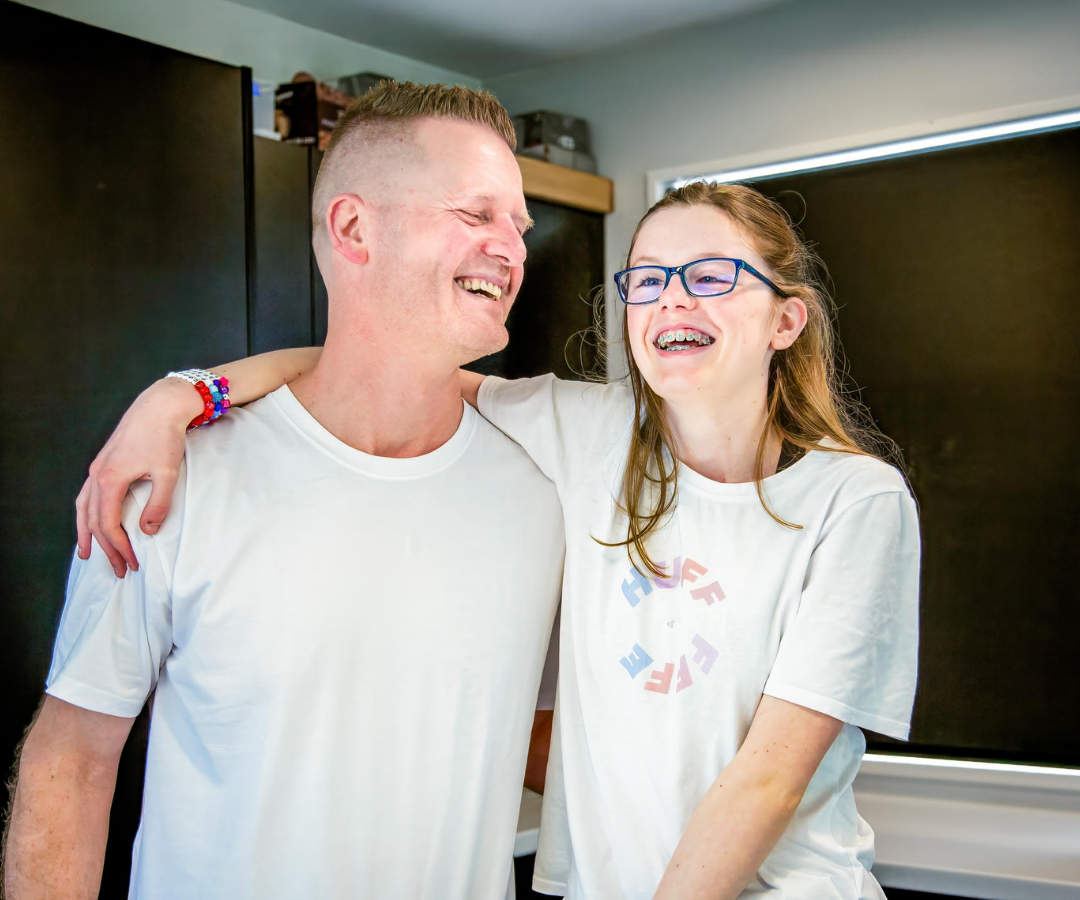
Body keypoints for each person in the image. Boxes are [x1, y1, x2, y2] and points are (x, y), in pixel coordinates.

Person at [61, 183, 921, 900]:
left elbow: (767, 778)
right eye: (647, 280)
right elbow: (368, 372)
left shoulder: (854, 499)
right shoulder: (592, 435)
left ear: (786, 322)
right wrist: (180, 398)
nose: (671, 300)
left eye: (710, 276)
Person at [2, 82, 566, 900]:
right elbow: (73, 759)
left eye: (518, 224)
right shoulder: (172, 479)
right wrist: (184, 397)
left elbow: (543, 735)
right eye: (475, 214)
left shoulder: (544, 491)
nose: (512, 247)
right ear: (353, 228)